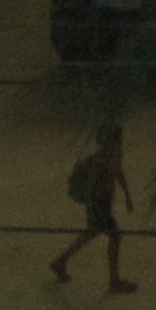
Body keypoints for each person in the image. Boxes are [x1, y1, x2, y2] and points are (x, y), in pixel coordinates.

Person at [50, 121, 138, 293]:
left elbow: (118, 173)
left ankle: (60, 261)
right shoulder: (99, 158)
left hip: (103, 202)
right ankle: (114, 280)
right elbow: (92, 184)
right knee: (114, 236)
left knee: (91, 233)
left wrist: (127, 195)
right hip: (99, 203)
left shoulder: (112, 154)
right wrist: (94, 205)